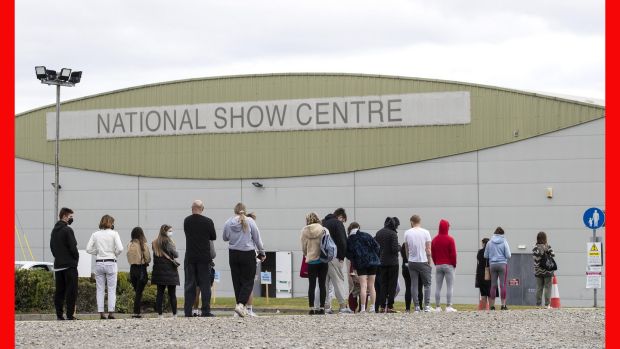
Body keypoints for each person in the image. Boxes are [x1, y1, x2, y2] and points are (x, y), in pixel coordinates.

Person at [223, 203, 266, 317]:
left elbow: (225, 237)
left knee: (237, 281)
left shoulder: (228, 222)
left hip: (233, 253)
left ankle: (239, 307)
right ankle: (241, 305)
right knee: (248, 281)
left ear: (235, 211)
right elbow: (257, 238)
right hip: (247, 253)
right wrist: (262, 252)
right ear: (245, 211)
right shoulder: (250, 221)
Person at [183, 200, 217, 317]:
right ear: (202, 209)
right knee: (205, 285)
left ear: (192, 208)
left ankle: (188, 311)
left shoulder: (187, 221)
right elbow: (213, 236)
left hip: (190, 257)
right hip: (204, 258)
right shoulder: (208, 222)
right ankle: (206, 311)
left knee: (190, 285)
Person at [86, 214, 123, 319]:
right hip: (111, 262)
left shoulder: (95, 234)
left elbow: (88, 249)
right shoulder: (114, 234)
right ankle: (111, 312)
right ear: (111, 223)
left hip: (99, 262)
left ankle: (101, 313)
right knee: (111, 288)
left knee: (100, 288)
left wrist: (97, 252)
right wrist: (114, 253)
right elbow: (120, 248)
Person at [49, 207, 79, 320]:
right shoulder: (68, 230)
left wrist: (58, 257)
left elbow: (52, 247)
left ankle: (59, 315)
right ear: (65, 216)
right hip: (69, 265)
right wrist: (75, 259)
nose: (72, 219)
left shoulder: (54, 231)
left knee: (59, 291)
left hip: (58, 266)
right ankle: (70, 315)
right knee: (71, 291)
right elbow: (73, 248)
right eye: (71, 217)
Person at [321, 208, 353, 314]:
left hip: (322, 257)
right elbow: (342, 241)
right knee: (338, 281)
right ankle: (343, 306)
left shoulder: (323, 223)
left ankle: (326, 307)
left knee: (325, 283)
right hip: (334, 257)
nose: (343, 222)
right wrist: (342, 257)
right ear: (340, 217)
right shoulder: (337, 223)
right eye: (343, 220)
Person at [346, 222, 380, 313]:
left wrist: (355, 261)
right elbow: (377, 246)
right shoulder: (366, 235)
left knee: (363, 286)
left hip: (361, 264)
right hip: (373, 262)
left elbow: (348, 255)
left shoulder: (350, 239)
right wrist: (373, 256)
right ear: (358, 228)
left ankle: (363, 308)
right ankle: (373, 307)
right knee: (372, 285)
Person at [404, 214, 433, 312]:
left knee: (414, 284)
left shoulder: (407, 233)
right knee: (427, 284)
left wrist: (408, 259)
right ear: (420, 222)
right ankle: (427, 306)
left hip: (412, 261)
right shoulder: (426, 232)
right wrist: (429, 261)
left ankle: (416, 306)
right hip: (423, 261)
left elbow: (407, 249)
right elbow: (428, 249)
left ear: (412, 222)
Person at [301, 212, 328, 315]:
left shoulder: (304, 231)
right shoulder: (323, 230)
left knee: (311, 285)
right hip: (322, 260)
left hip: (311, 260)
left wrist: (306, 254)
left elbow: (303, 246)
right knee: (322, 285)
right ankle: (321, 308)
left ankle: (312, 308)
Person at [151, 224, 180, 317]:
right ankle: (174, 313)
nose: (171, 232)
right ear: (165, 232)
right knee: (172, 294)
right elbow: (176, 255)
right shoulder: (168, 242)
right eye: (170, 231)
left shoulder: (154, 243)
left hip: (159, 272)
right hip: (170, 271)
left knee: (160, 293)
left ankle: (160, 314)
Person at [374, 217, 400, 313]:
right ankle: (390, 306)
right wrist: (399, 247)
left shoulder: (379, 233)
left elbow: (376, 247)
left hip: (381, 262)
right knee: (392, 285)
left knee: (383, 284)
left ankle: (381, 306)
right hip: (393, 263)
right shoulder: (393, 234)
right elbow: (394, 249)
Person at [431, 219, 457, 312]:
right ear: (447, 227)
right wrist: (454, 264)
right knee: (450, 286)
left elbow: (433, 254)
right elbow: (453, 254)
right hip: (449, 265)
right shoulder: (450, 239)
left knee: (438, 286)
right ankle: (448, 306)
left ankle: (437, 307)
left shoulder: (434, 240)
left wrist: (436, 263)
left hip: (438, 265)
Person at [484, 226, 512, 310]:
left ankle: (492, 306)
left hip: (492, 265)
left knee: (493, 285)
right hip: (502, 264)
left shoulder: (489, 242)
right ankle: (503, 305)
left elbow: (485, 255)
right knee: (502, 285)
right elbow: (508, 255)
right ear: (502, 234)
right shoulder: (504, 241)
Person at [126, 226, 151, 318]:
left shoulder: (129, 244)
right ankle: (137, 312)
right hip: (141, 270)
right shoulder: (143, 244)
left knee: (137, 291)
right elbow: (148, 258)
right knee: (139, 292)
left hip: (132, 269)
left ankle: (138, 309)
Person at [192, 239, 217, 317]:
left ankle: (195, 310)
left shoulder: (193, 237)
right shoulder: (208, 239)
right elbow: (213, 254)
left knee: (197, 288)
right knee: (206, 289)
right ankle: (205, 311)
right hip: (206, 265)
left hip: (195, 265)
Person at [532, 231, 555, 309]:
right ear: (545, 238)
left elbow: (534, 259)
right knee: (548, 287)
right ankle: (547, 304)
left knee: (539, 288)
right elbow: (553, 255)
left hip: (538, 271)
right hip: (548, 270)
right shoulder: (548, 246)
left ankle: (538, 305)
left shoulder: (535, 248)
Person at [400, 242, 423, 313]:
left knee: (408, 287)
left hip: (405, 267)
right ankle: (419, 307)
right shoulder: (417, 245)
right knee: (419, 287)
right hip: (417, 267)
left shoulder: (404, 245)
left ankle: (407, 308)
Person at [475, 238, 496, 310]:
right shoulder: (492, 252)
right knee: (490, 293)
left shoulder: (480, 252)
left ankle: (483, 310)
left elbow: (479, 261)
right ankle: (491, 309)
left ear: (484, 243)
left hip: (481, 275)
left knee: (483, 294)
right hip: (490, 274)